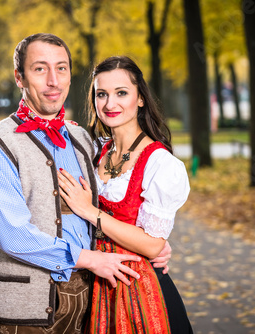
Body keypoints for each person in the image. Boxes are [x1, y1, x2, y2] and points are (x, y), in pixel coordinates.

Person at [0, 33, 171, 334]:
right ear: (19, 78)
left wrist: (152, 243)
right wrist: (91, 259)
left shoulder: (82, 139)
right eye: (40, 69)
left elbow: (111, 204)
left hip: (91, 303)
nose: (53, 80)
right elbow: (13, 235)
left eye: (61, 68)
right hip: (25, 312)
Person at [57, 56, 194, 333]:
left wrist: (90, 212)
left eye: (121, 93)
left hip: (138, 289)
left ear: (140, 98)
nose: (110, 104)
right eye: (101, 94)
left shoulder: (160, 163)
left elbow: (153, 246)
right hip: (92, 284)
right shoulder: (93, 150)